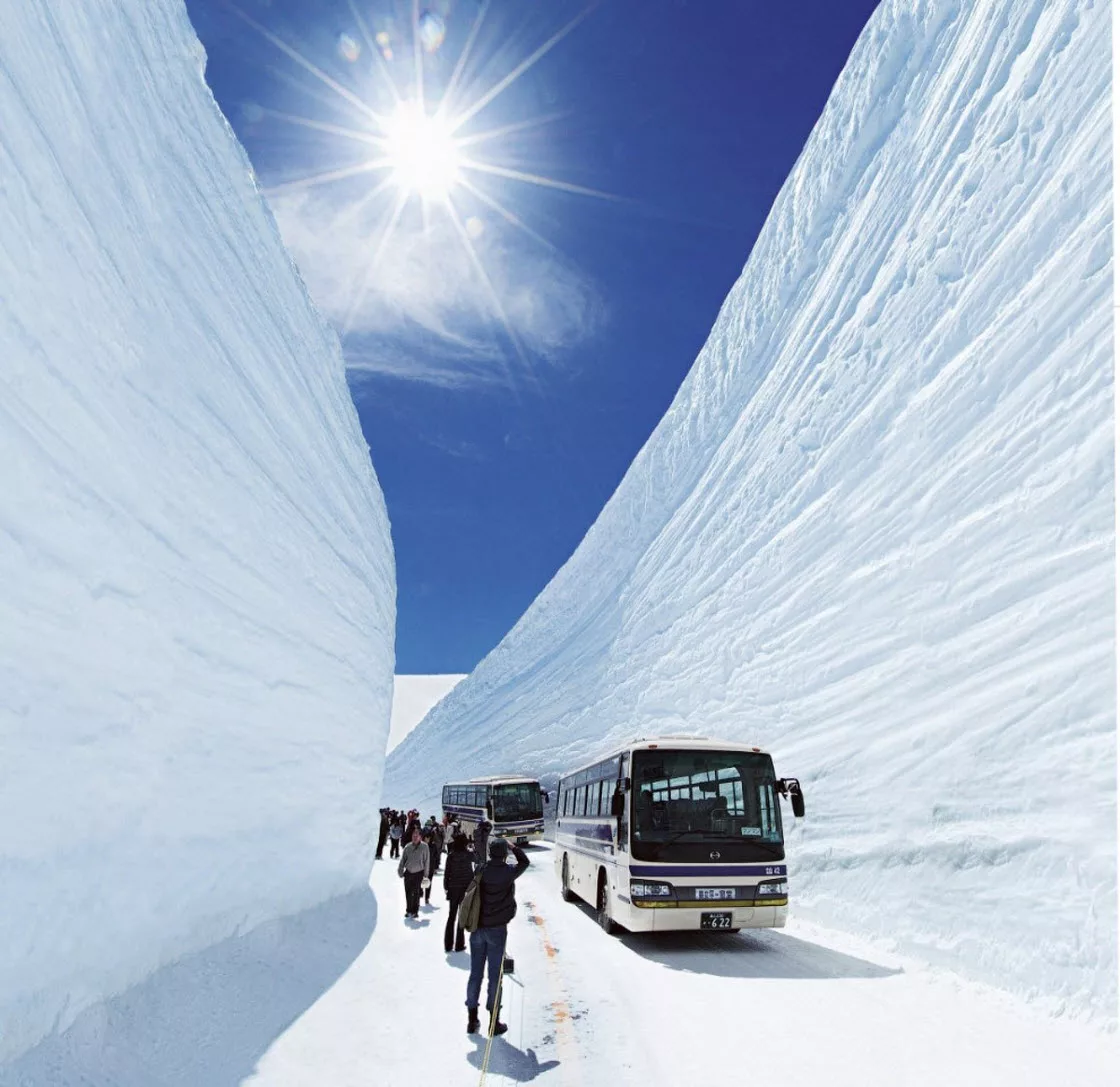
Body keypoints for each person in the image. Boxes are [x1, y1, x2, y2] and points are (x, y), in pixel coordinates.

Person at [466, 839, 529, 1036]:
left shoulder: (482, 870)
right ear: (504, 854)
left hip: (478, 928)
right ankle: (494, 1021)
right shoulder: (508, 873)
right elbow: (524, 862)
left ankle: (471, 1019)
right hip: (497, 930)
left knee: (476, 973)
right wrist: (513, 846)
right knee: (495, 976)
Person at [442, 832, 473, 953]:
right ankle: (459, 944)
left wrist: (446, 887)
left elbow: (447, 873)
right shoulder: (468, 855)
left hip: (453, 888)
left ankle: (448, 944)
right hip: (466, 889)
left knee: (451, 916)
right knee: (462, 916)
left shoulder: (451, 855)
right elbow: (479, 859)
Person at [398, 827, 429, 918]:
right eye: (413, 835)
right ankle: (408, 910)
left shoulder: (424, 847)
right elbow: (403, 860)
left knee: (416, 893)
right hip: (408, 873)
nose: (415, 837)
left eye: (417, 835)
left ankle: (415, 911)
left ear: (420, 837)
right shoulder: (408, 847)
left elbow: (427, 861)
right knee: (408, 892)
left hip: (418, 873)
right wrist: (400, 870)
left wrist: (426, 875)